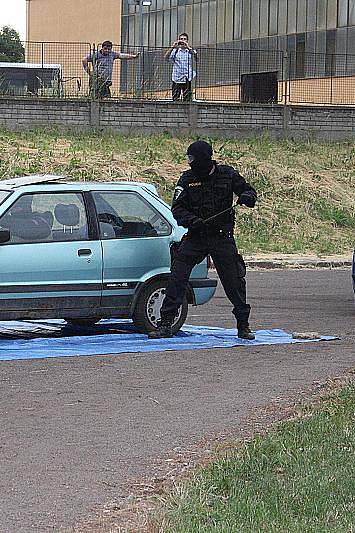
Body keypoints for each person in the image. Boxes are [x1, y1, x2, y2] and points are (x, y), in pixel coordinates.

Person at [150, 140, 257, 341]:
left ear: (204, 158)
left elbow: (249, 191)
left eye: (192, 158)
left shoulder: (227, 174)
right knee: (177, 277)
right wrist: (193, 221)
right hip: (196, 236)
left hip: (221, 237)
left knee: (234, 281)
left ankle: (243, 325)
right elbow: (178, 209)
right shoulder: (187, 179)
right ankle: (165, 324)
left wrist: (247, 197)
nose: (190, 162)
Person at [164, 33, 198, 102]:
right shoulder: (175, 51)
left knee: (187, 99)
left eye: (184, 39)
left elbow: (196, 58)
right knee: (175, 99)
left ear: (187, 41)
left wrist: (188, 47)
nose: (182, 41)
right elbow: (166, 58)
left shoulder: (190, 51)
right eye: (181, 39)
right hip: (177, 78)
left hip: (187, 78)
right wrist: (172, 47)